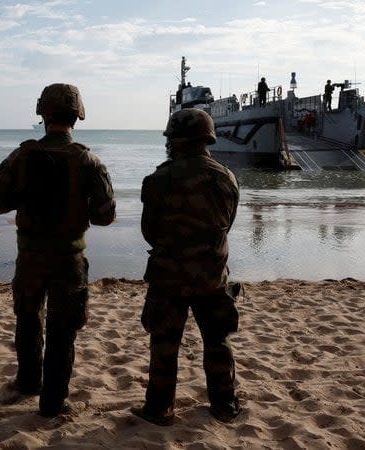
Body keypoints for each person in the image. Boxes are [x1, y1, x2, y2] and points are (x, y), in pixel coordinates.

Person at [0, 83, 116, 417]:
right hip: (70, 260)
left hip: (29, 258)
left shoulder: (22, 156)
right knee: (63, 331)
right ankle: (54, 402)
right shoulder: (89, 160)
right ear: (77, 116)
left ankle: (28, 383)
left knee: (28, 321)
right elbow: (105, 216)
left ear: (43, 114)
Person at [132, 108, 242, 426]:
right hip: (212, 274)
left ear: (173, 140)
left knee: (164, 343)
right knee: (217, 341)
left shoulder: (157, 180)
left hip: (168, 275)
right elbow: (227, 224)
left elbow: (148, 230)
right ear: (207, 138)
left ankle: (159, 408)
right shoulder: (226, 177)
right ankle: (225, 405)